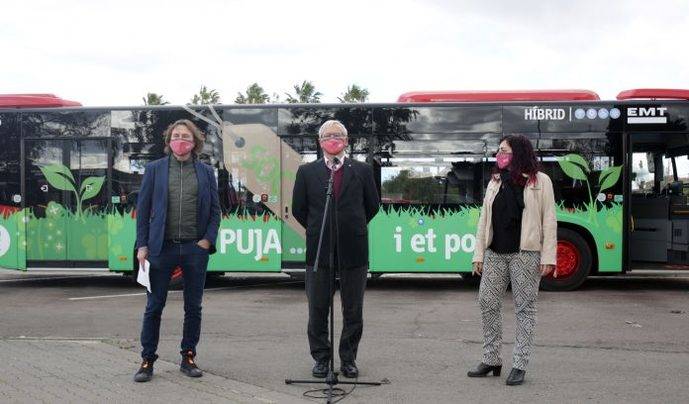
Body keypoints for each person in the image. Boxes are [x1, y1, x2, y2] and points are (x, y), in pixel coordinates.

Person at [133, 119, 220, 382]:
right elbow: (143, 211)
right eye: (175, 135)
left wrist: (206, 241)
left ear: (194, 143)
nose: (180, 140)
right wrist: (142, 245)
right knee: (154, 306)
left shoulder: (205, 172)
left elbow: (215, 211)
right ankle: (147, 359)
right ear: (169, 140)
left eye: (185, 136)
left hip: (195, 249)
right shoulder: (155, 170)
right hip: (161, 248)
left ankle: (188, 356)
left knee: (193, 307)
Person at [292, 120, 379, 378]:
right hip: (319, 249)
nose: (333, 139)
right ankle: (321, 358)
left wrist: (351, 225)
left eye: (338, 135)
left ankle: (348, 359)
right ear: (320, 142)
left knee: (353, 309)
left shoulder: (362, 170)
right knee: (318, 308)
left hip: (354, 248)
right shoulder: (307, 172)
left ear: (347, 140)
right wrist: (321, 227)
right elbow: (299, 209)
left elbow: (372, 206)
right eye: (328, 135)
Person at [467, 134, 557, 386]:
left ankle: (520, 364)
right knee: (486, 301)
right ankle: (492, 358)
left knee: (525, 309)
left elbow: (549, 220)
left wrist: (548, 256)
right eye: (498, 151)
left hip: (525, 255)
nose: (499, 155)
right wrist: (478, 254)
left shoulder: (541, 181)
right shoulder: (495, 181)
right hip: (495, 252)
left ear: (518, 153)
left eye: (505, 151)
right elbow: (484, 219)